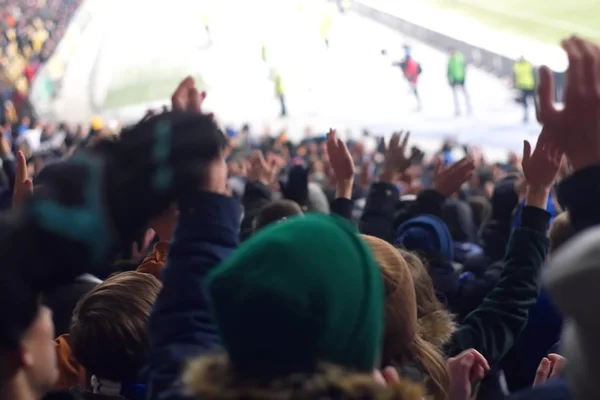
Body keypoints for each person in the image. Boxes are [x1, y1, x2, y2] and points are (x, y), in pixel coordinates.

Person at [394, 45, 422, 111]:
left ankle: (417, 105)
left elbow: (410, 70)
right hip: (412, 78)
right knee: (413, 91)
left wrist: (409, 76)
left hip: (412, 78)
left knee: (413, 91)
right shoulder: (409, 61)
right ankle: (417, 105)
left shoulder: (409, 62)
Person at [447, 49, 471, 116]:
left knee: (464, 93)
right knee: (455, 95)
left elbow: (464, 68)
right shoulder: (450, 60)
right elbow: (449, 70)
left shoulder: (459, 58)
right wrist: (449, 78)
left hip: (461, 78)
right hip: (454, 79)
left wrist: (464, 77)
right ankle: (458, 110)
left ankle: (468, 108)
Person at [513, 56, 537, 123]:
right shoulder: (528, 64)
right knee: (532, 101)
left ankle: (527, 116)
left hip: (525, 85)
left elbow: (515, 75)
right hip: (528, 85)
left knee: (525, 102)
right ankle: (534, 114)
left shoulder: (517, 65)